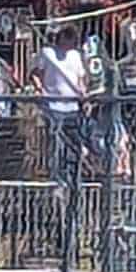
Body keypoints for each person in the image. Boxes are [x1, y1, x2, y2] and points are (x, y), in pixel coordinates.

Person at [36, 31, 89, 184]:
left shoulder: (76, 56)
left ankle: (73, 177)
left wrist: (83, 97)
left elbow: (80, 79)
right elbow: (36, 73)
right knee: (56, 141)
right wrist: (41, 90)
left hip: (73, 106)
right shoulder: (47, 53)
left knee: (74, 142)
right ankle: (56, 178)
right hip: (53, 105)